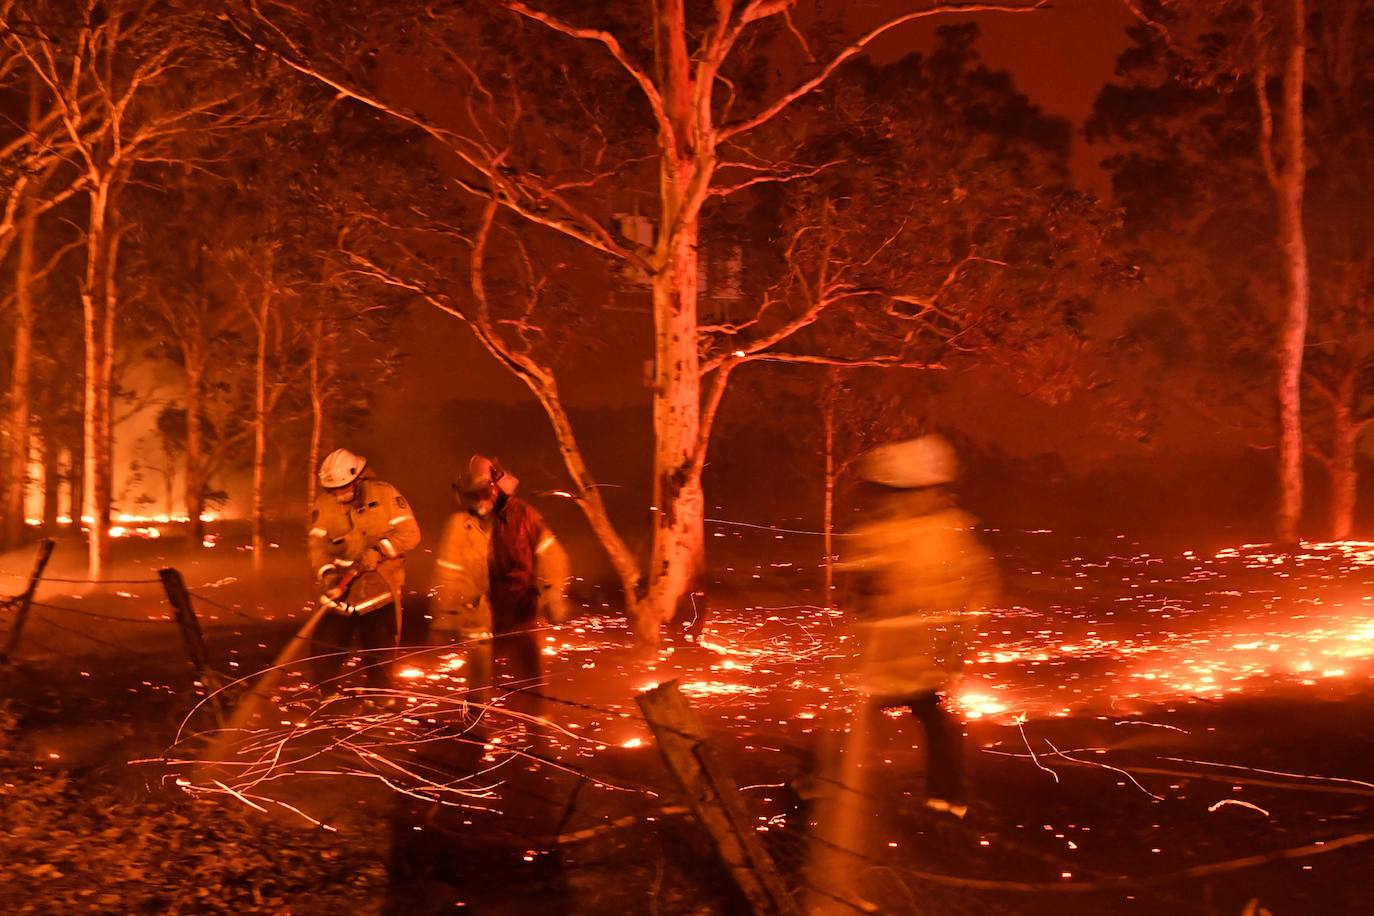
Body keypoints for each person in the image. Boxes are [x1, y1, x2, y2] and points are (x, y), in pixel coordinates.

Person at [837, 433, 999, 816]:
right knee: (865, 721)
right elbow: (855, 585)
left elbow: (978, 586)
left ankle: (948, 802)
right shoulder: (879, 533)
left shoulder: (946, 533)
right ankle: (827, 789)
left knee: (934, 720)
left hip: (921, 658)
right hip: (888, 659)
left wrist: (954, 642)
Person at [431, 455, 572, 698]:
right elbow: (448, 574)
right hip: (478, 625)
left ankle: (534, 731)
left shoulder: (524, 516)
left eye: (480, 493)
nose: (477, 502)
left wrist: (554, 595)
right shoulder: (458, 526)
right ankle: (474, 732)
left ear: (495, 487)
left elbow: (553, 557)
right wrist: (444, 618)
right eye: (471, 495)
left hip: (520, 620)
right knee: (477, 694)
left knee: (530, 691)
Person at [307, 447, 421, 692]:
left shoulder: (385, 495)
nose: (340, 494)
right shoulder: (324, 506)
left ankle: (380, 706)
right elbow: (318, 547)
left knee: (379, 660)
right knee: (322, 655)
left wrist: (379, 551)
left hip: (379, 593)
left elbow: (411, 535)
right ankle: (326, 705)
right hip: (340, 594)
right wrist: (328, 576)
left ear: (357, 478)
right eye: (333, 490)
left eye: (344, 487)